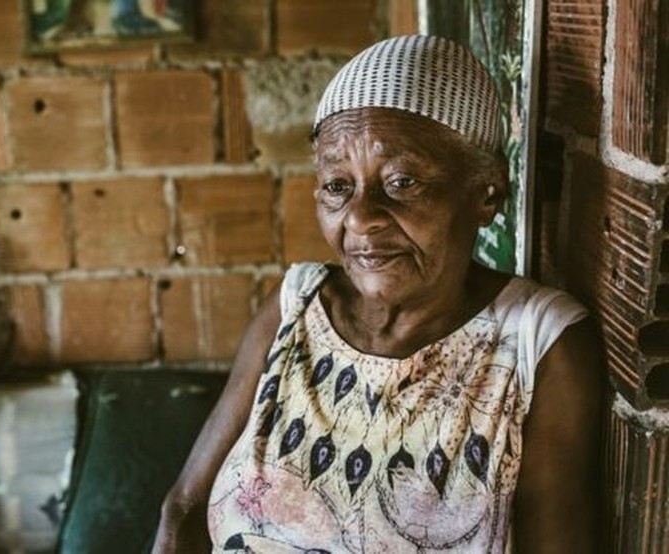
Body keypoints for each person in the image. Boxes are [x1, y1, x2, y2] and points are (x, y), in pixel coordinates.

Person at [152, 35, 603, 553]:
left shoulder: (538, 342)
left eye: (403, 181)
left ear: (487, 192)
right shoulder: (295, 303)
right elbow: (183, 509)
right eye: (337, 186)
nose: (360, 219)